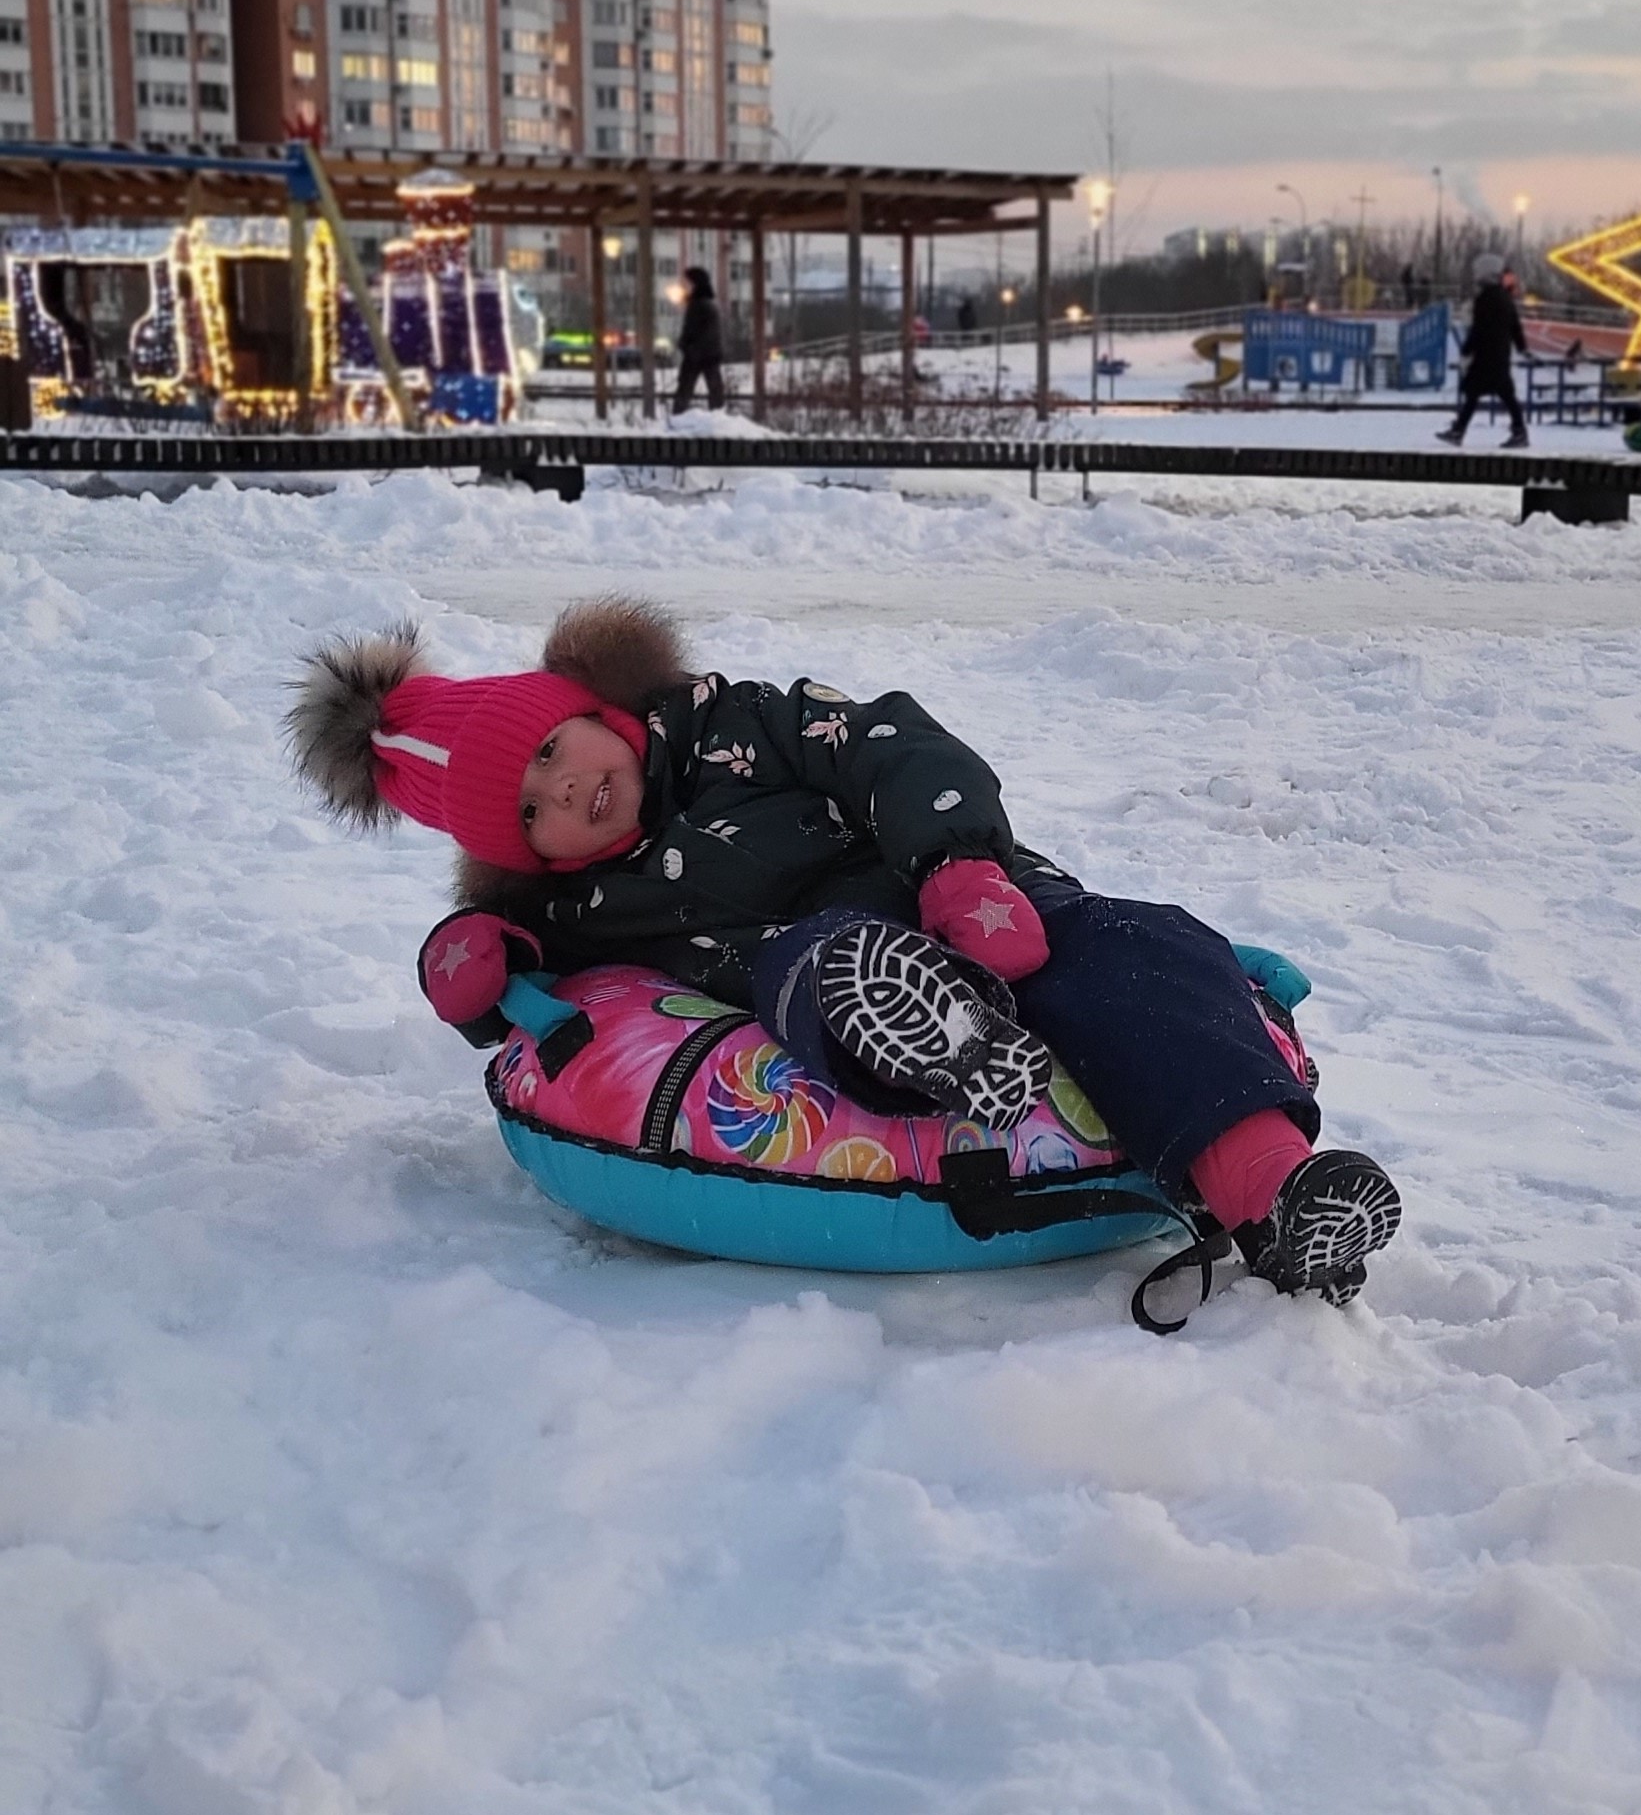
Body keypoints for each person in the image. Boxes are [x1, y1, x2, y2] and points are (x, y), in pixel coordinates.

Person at [288, 600, 1402, 1306]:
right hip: (826, 952)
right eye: (529, 810)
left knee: (1147, 952)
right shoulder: (586, 901)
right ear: (522, 854)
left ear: (583, 704)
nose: (563, 787)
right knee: (821, 976)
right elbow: (521, 974)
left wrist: (962, 865)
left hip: (975, 900)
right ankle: (947, 1043)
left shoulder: (738, 721)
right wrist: (470, 952)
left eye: (548, 746)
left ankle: (1276, 1190)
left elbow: (890, 743)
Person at [1439, 258, 1528, 446]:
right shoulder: (1505, 298)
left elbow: (1478, 328)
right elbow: (1515, 326)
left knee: (1478, 392)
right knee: (1500, 393)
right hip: (1500, 353)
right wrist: (1522, 347)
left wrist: (1467, 348)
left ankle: (1459, 431)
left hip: (1486, 354)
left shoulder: (1484, 299)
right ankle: (1518, 432)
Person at [671, 266, 726, 415]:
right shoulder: (707, 303)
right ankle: (718, 418)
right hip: (708, 354)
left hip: (698, 355)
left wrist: (686, 346)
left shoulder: (699, 305)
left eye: (687, 283)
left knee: (685, 390)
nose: (684, 287)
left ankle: (679, 420)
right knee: (715, 391)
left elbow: (694, 331)